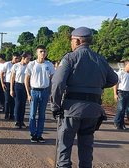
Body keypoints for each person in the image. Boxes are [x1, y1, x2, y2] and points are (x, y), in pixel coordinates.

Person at [51, 27, 118, 168]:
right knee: (86, 148)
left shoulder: (70, 58)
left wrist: (55, 106)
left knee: (64, 147)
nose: (71, 43)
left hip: (71, 110)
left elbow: (57, 84)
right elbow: (113, 79)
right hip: (93, 111)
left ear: (77, 41)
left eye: (71, 40)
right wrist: (95, 85)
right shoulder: (100, 59)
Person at [24, 45, 55, 143]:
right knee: (33, 114)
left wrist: (51, 93)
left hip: (45, 91)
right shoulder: (31, 64)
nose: (43, 53)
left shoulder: (49, 65)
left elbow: (52, 79)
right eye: (41, 51)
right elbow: (26, 80)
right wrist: (28, 94)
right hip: (34, 91)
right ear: (37, 53)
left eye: (44, 51)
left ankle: (39, 134)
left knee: (42, 114)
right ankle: (33, 133)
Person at [10, 52, 31, 128]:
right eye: (28, 58)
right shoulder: (16, 66)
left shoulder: (29, 66)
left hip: (25, 86)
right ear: (23, 58)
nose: (29, 60)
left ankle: (21, 121)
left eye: (29, 59)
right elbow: (12, 78)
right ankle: (17, 121)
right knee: (18, 103)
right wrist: (11, 89)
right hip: (18, 85)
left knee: (23, 104)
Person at [0, 52, 20, 120]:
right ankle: (6, 114)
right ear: (12, 57)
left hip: (15, 84)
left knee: (13, 101)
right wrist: (2, 83)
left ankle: (12, 114)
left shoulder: (18, 65)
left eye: (18, 58)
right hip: (7, 83)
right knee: (7, 100)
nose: (16, 60)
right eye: (15, 58)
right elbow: (1, 73)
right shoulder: (7, 64)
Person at [113, 58, 129, 130]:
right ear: (126, 65)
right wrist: (115, 94)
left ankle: (122, 124)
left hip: (128, 93)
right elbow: (115, 84)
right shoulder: (121, 73)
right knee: (121, 108)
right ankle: (117, 122)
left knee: (126, 109)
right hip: (122, 92)